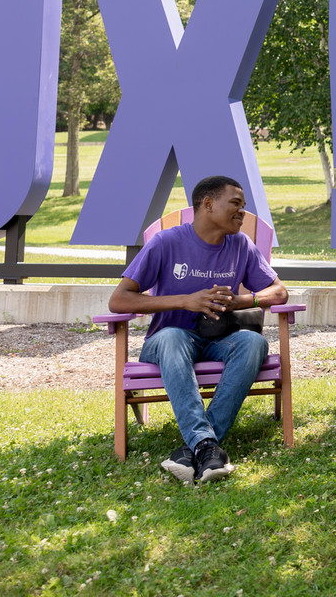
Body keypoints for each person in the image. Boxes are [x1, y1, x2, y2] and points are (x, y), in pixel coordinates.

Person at [108, 175, 287, 484]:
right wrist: (185, 301)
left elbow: (279, 292)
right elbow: (119, 300)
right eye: (235, 204)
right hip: (167, 341)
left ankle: (199, 447)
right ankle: (207, 446)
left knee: (254, 343)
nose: (242, 212)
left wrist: (239, 301)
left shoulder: (241, 244)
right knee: (175, 336)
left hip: (220, 339)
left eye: (243, 207)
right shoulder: (166, 242)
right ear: (208, 204)